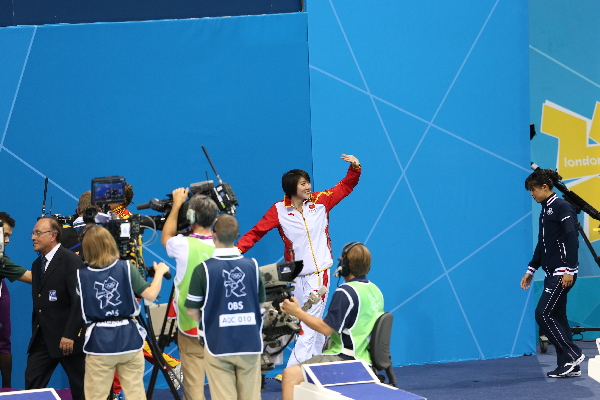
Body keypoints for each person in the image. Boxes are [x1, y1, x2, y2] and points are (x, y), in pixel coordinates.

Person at [237, 154, 361, 367]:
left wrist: (355, 168)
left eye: (308, 182)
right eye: (303, 183)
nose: (308, 186)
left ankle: (293, 371)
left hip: (319, 274)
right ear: (292, 188)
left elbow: (346, 186)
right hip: (294, 277)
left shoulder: (321, 201)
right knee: (308, 322)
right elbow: (256, 232)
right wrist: (235, 251)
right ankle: (316, 366)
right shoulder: (278, 210)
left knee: (308, 323)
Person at [280, 242, 383, 400]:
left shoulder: (346, 292)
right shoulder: (375, 290)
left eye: (341, 259)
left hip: (343, 359)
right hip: (365, 361)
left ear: (345, 265)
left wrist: (297, 312)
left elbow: (326, 329)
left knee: (289, 375)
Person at [77, 225, 170, 400]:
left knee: (96, 396)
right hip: (129, 340)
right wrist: (159, 273)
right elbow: (150, 294)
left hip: (99, 344)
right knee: (135, 393)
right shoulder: (126, 267)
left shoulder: (80, 276)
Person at [185, 214, 265, 400]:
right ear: (237, 235)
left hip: (217, 342)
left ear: (214, 235)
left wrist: (211, 321)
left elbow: (192, 310)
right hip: (249, 343)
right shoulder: (253, 266)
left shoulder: (203, 269)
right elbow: (259, 303)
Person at [520, 168, 585, 378]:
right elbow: (543, 243)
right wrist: (531, 269)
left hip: (562, 273)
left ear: (544, 187)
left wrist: (570, 269)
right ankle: (570, 366)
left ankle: (573, 353)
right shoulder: (546, 210)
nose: (531, 194)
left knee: (542, 314)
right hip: (552, 272)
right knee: (558, 317)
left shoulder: (562, 206)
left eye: (533, 189)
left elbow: (571, 238)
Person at [161, 188, 219, 400]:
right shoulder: (227, 247)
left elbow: (166, 237)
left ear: (191, 217)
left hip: (191, 327)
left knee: (194, 385)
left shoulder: (182, 244)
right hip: (222, 326)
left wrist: (177, 204)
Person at [26, 217, 86, 399]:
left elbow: (80, 301)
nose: (32, 238)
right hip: (42, 338)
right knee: (32, 384)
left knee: (82, 388)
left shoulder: (71, 261)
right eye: (33, 233)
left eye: (38, 233)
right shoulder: (37, 265)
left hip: (68, 340)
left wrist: (70, 334)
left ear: (53, 236)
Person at [0, 212, 32, 388]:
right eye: (5, 235)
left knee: (4, 343)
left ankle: (6, 390)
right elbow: (32, 278)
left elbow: (32, 277)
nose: (7, 241)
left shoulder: (2, 261)